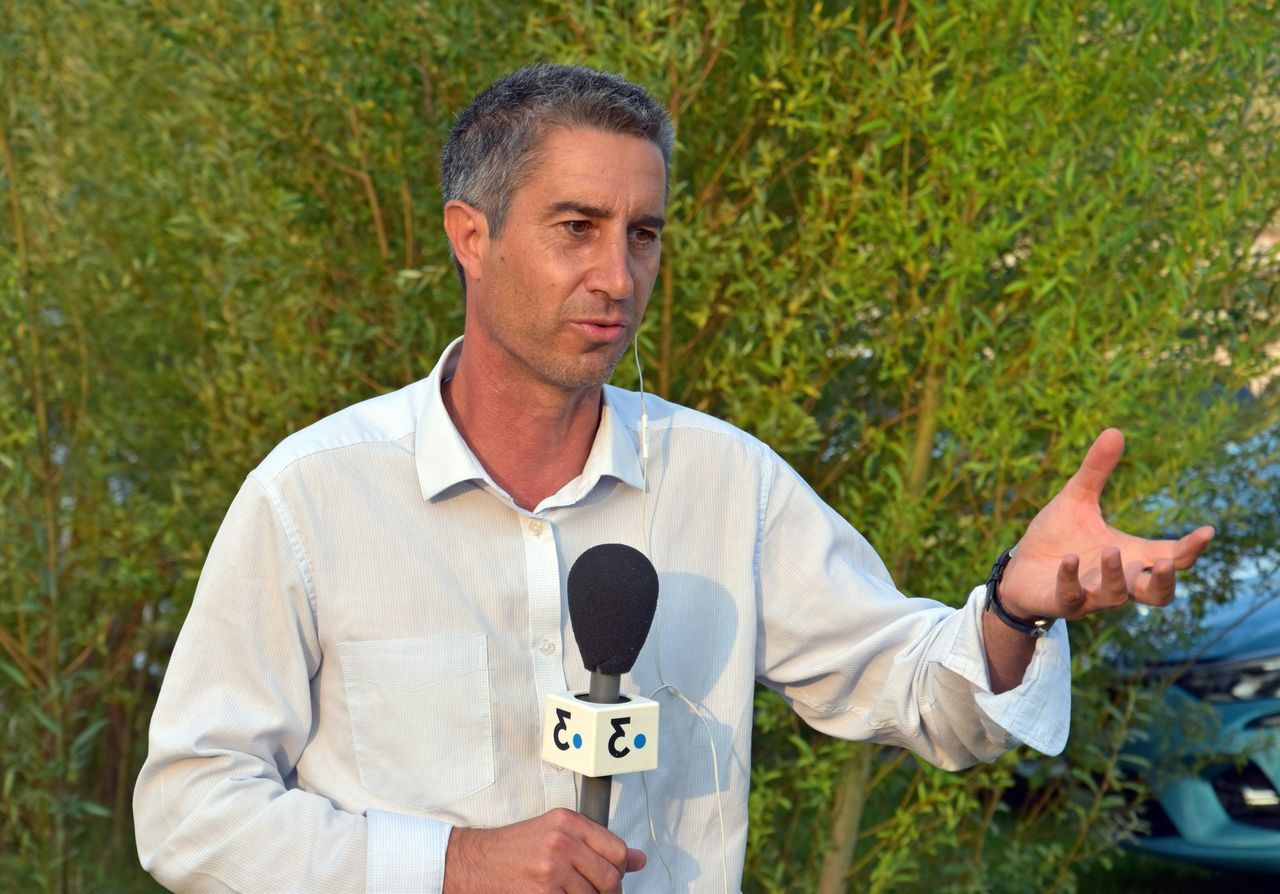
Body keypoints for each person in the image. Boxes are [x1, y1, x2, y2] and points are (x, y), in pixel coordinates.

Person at [133, 63, 1213, 894]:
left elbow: (930, 703)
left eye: (641, 234)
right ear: (471, 236)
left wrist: (1015, 607)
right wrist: (451, 862)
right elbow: (190, 812)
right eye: (575, 228)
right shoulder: (314, 497)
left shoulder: (722, 485)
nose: (616, 277)